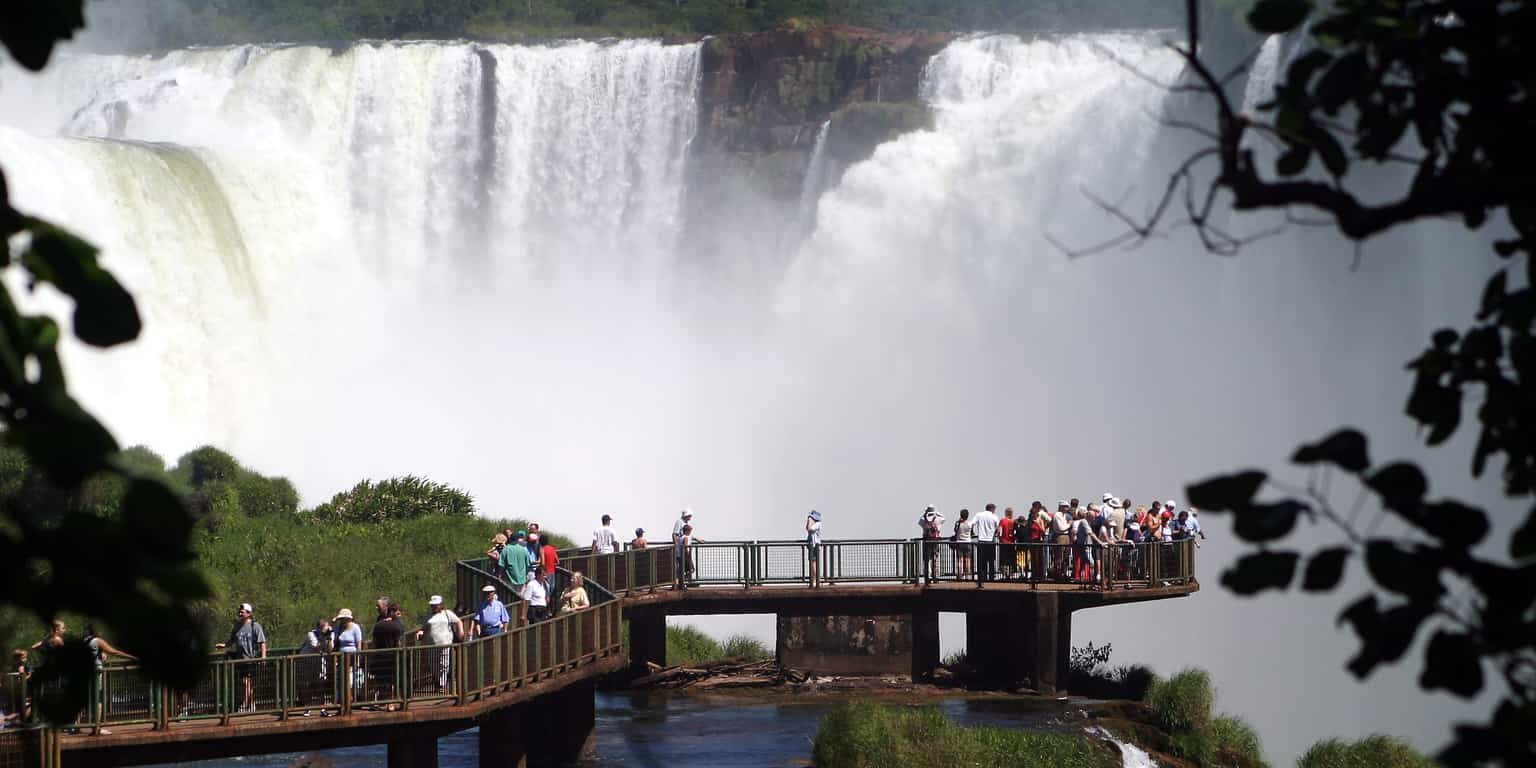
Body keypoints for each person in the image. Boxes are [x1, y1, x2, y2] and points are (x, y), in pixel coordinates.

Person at [79, 624, 132, 735]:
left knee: (89, 699)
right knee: (98, 700)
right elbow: (114, 652)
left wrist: (101, 653)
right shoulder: (97, 640)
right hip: (96, 673)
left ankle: (86, 725)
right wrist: (132, 657)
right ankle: (97, 728)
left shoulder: (84, 641)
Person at [215, 603, 267, 714]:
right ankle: (252, 705)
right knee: (247, 683)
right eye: (239, 611)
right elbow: (232, 640)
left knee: (246, 682)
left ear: (249, 613)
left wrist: (263, 657)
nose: (239, 613)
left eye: (242, 612)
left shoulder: (255, 626)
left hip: (251, 659)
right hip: (240, 659)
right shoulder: (237, 626)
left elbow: (262, 642)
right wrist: (224, 645)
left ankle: (244, 705)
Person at [415, 596, 462, 694]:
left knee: (444, 664)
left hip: (445, 643)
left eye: (436, 605)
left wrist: (460, 633)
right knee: (433, 664)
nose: (434, 607)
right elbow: (423, 628)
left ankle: (442, 684)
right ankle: (437, 682)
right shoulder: (427, 616)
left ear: (441, 605)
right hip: (432, 645)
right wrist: (420, 632)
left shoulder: (447, 613)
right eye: (432, 605)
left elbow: (458, 621)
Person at [369, 601, 403, 708]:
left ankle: (384, 701)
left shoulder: (378, 625)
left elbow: (374, 642)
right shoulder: (396, 625)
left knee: (383, 680)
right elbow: (398, 642)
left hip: (380, 656)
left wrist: (372, 655)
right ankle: (391, 703)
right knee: (391, 680)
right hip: (392, 656)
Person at [298, 618, 333, 717]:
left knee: (320, 685)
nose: (325, 630)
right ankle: (307, 708)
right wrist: (324, 637)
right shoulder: (311, 634)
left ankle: (323, 709)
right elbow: (316, 647)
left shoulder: (329, 634)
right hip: (307, 662)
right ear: (318, 628)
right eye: (323, 628)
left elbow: (329, 650)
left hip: (319, 662)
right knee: (308, 685)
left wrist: (329, 638)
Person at [972, 504, 1000, 585]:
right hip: (991, 541)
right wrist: (995, 533)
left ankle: (982, 578)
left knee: (981, 561)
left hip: (981, 541)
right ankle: (991, 578)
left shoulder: (979, 515)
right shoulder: (994, 517)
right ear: (992, 509)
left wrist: (972, 532)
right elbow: (998, 529)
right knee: (991, 561)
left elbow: (972, 523)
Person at [919, 506, 944, 584]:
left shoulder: (923, 520)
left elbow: (919, 522)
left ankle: (928, 576)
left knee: (927, 559)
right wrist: (937, 512)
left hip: (926, 542)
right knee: (936, 558)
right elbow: (944, 518)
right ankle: (935, 576)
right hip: (935, 541)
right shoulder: (938, 519)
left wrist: (925, 513)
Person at [1051, 501, 1072, 580]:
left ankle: (1063, 573)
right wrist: (1069, 524)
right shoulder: (1057, 515)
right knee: (1059, 556)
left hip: (1065, 536)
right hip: (1060, 536)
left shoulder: (1064, 515)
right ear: (1061, 507)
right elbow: (1061, 528)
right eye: (1065, 506)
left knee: (1066, 556)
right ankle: (1057, 573)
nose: (1067, 508)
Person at [952, 508, 974, 580]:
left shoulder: (958, 523)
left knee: (959, 560)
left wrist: (959, 520)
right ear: (967, 516)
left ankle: (959, 575)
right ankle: (968, 576)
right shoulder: (970, 523)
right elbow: (972, 533)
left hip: (959, 543)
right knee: (968, 560)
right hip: (968, 543)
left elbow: (955, 531)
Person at [805, 509, 823, 588]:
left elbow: (809, 529)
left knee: (814, 563)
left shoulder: (817, 524)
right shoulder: (815, 523)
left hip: (815, 546)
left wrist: (809, 520)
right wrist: (809, 521)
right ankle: (813, 580)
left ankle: (816, 580)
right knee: (812, 563)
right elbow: (807, 528)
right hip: (812, 546)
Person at [999, 506, 1016, 580]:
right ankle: (1011, 574)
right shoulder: (1014, 522)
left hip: (1003, 543)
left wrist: (1000, 539)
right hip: (1011, 543)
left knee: (1003, 559)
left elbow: (1000, 532)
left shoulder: (1002, 521)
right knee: (1011, 559)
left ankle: (1004, 574)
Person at [676, 523, 696, 587]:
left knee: (684, 570)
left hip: (679, 556)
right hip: (685, 556)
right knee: (691, 569)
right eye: (690, 531)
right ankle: (682, 581)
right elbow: (685, 547)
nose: (690, 532)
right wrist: (688, 555)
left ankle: (683, 581)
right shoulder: (685, 538)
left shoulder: (680, 537)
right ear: (687, 531)